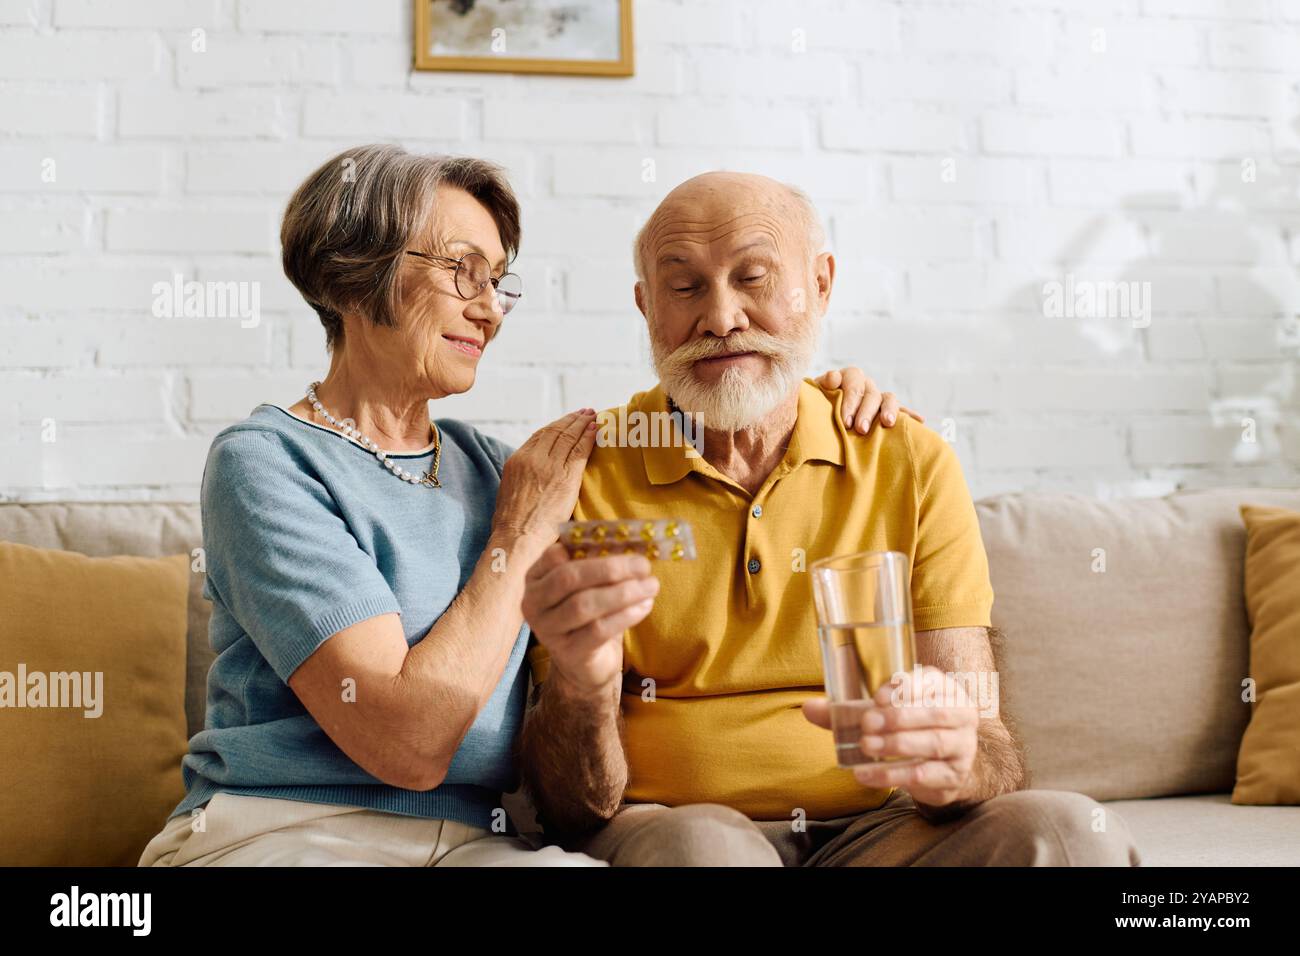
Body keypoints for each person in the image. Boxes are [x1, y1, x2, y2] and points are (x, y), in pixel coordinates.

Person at [138, 146, 903, 867]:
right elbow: (407, 743)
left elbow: (702, 426)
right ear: (350, 275)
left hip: (470, 846)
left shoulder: (499, 468)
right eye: (463, 273)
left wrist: (815, 397)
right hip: (284, 830)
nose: (490, 310)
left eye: (498, 280)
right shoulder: (267, 462)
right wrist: (518, 533)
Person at [518, 171, 1143, 867]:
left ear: (820, 285)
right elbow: (568, 803)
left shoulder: (908, 459)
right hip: (671, 827)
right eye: (686, 286)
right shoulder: (584, 471)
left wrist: (954, 762)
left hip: (882, 830)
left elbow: (988, 746)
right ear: (646, 308)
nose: (721, 317)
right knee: (704, 852)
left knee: (1060, 832)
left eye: (752, 278)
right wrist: (582, 683)